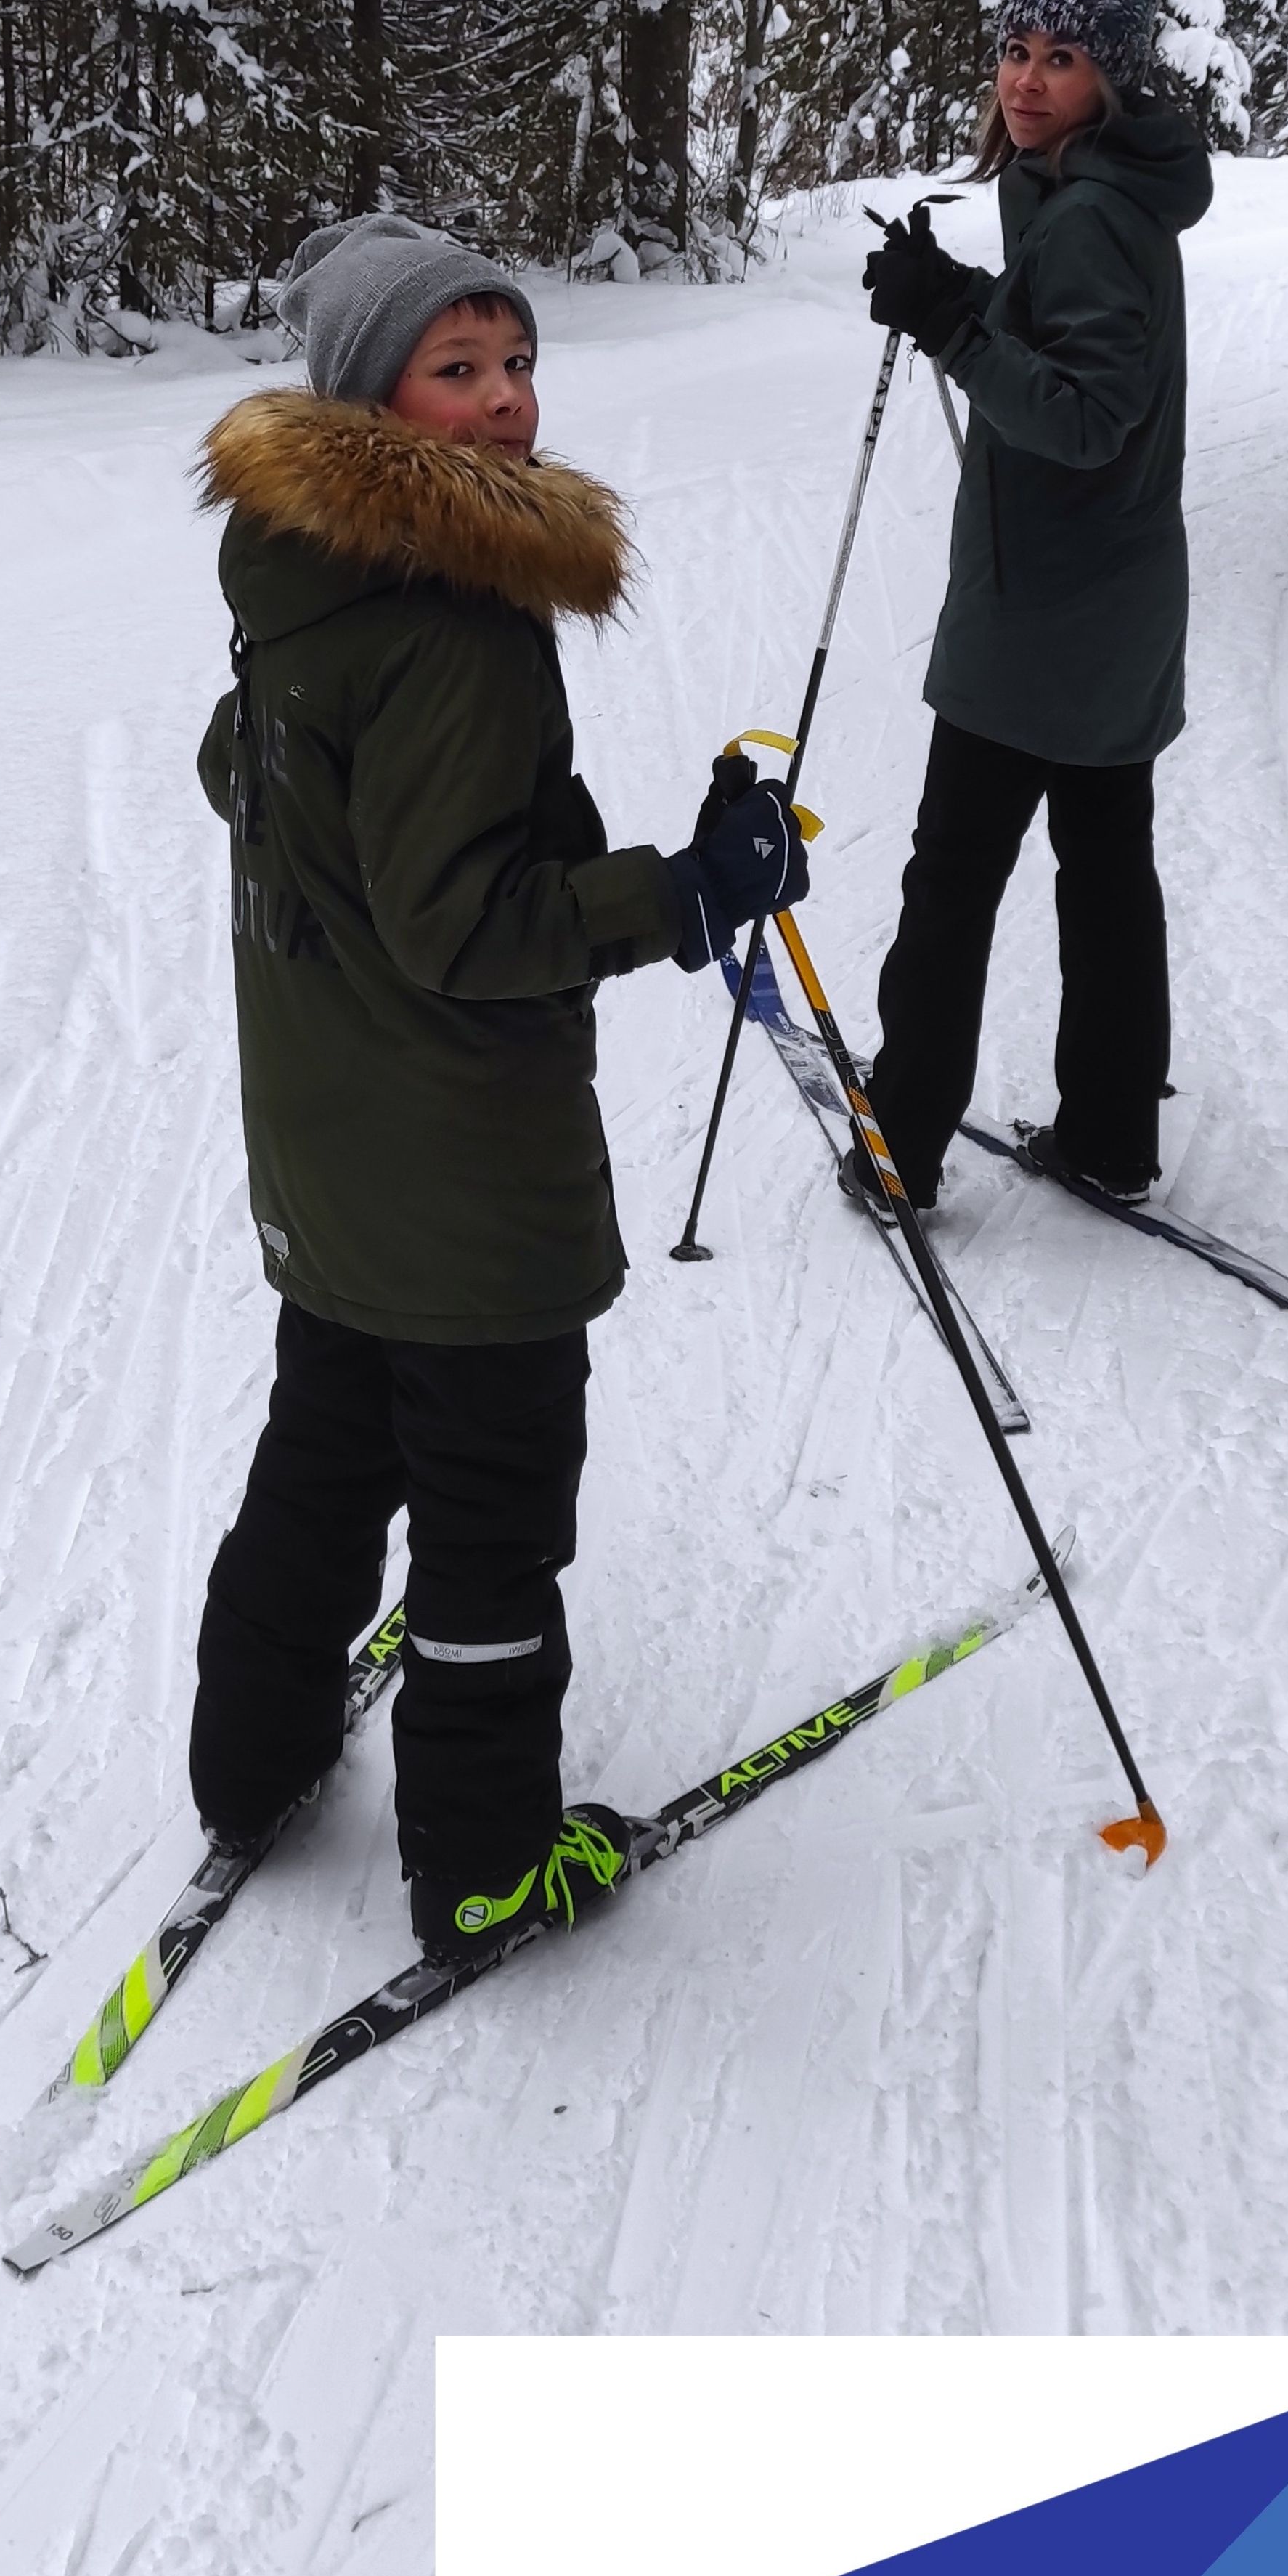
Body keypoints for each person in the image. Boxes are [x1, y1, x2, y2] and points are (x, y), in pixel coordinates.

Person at [190, 210, 807, 1962]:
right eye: (455, 371)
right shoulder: (451, 616)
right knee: (487, 1512)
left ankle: (250, 1761)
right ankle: (480, 1867)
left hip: (332, 1155)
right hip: (460, 1177)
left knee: (324, 1442)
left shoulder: (300, 576)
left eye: (517, 362)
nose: (505, 403)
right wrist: (681, 893)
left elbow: (236, 767)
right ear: (371, 400)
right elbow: (465, 923)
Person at [847, 0, 1212, 1213]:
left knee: (953, 882)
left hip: (1042, 619)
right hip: (1109, 614)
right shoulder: (1086, 195)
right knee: (1106, 876)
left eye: (1064, 58)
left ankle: (899, 1149)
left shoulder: (1094, 212)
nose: (1029, 80)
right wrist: (966, 294)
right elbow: (1060, 338)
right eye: (1017, 50)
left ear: (1113, 82)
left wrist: (950, 324)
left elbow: (1080, 415)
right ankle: (1111, 1138)